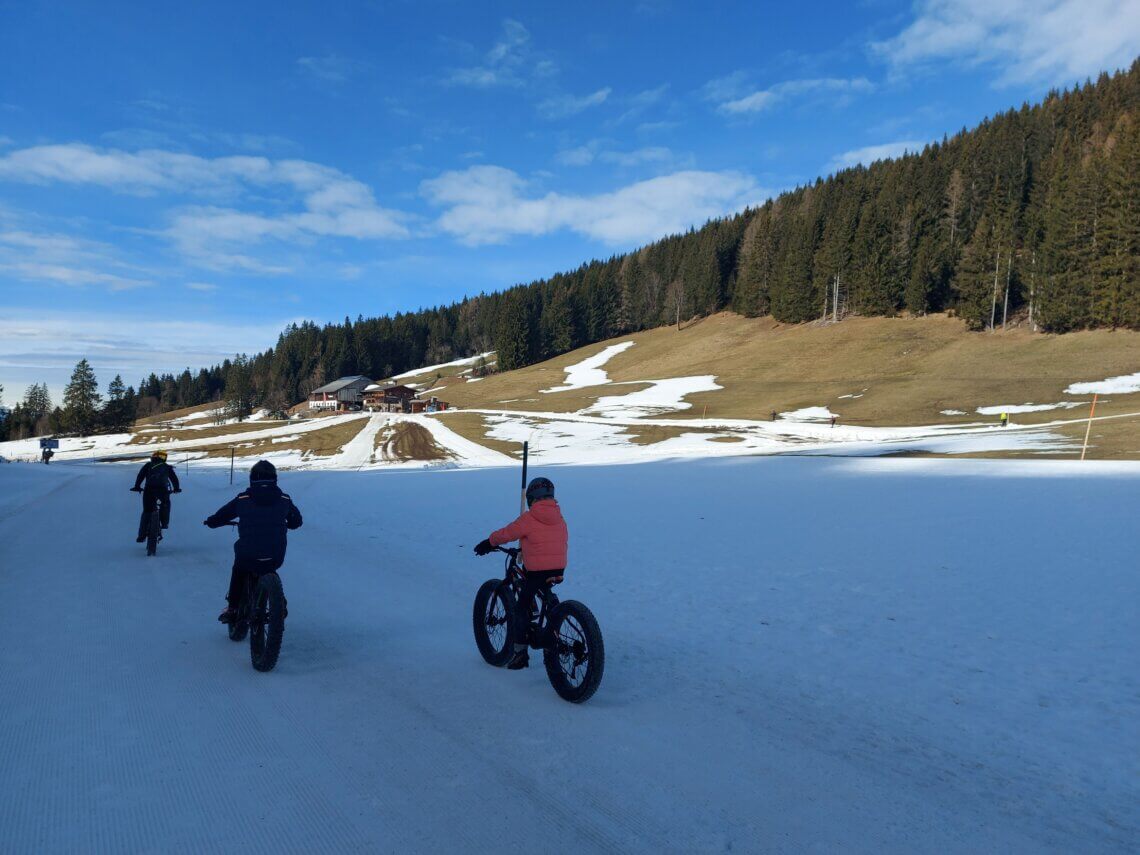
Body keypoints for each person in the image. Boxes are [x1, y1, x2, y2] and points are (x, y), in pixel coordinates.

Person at [474, 476, 568, 670]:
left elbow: (508, 533)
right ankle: (554, 618)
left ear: (531, 498)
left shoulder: (529, 517)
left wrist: (489, 542)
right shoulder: (559, 517)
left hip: (536, 571)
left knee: (520, 609)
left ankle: (520, 654)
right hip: (558, 568)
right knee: (542, 593)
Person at [204, 460, 303, 624]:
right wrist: (288, 523)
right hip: (276, 554)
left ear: (252, 479)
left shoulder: (243, 499)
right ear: (274, 479)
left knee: (239, 568)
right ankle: (280, 603)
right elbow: (296, 522)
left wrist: (212, 522)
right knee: (269, 566)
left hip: (248, 554)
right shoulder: (284, 499)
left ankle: (233, 608)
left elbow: (222, 515)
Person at [131, 449, 181, 542]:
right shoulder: (167, 467)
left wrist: (137, 486)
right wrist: (176, 489)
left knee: (147, 511)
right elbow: (174, 479)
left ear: (152, 458)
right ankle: (164, 523)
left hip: (149, 490)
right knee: (165, 504)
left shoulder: (148, 465)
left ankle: (141, 536)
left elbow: (140, 476)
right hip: (163, 491)